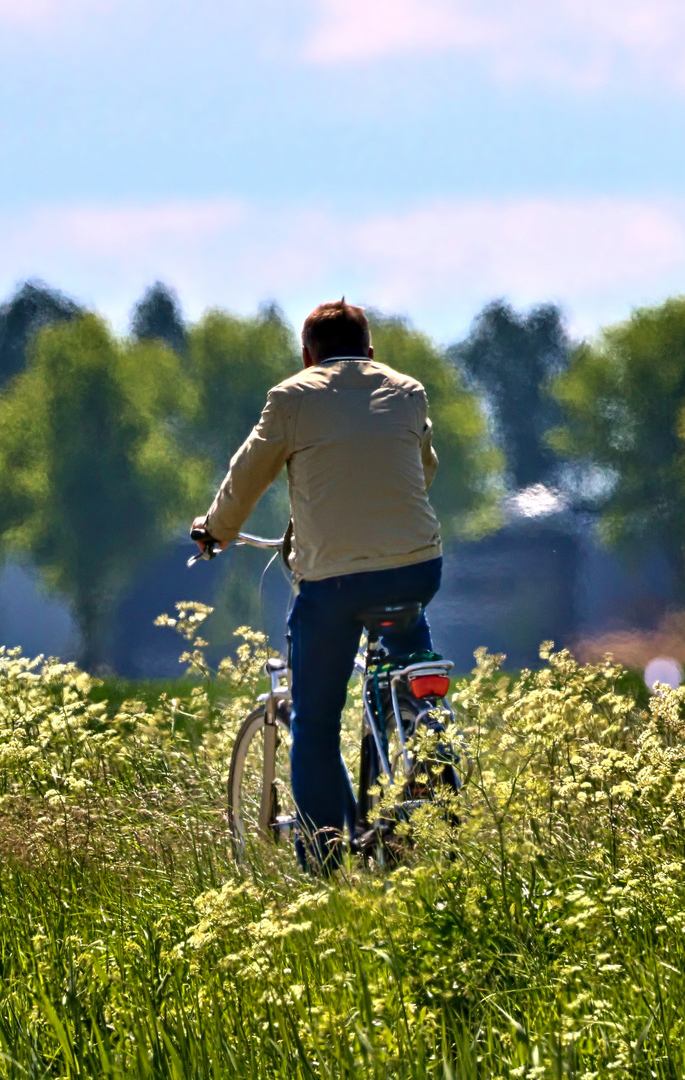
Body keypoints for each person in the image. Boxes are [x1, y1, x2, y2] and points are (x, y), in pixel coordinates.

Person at [191, 299, 443, 870]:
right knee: (408, 660)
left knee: (315, 718)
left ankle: (328, 858)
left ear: (308, 357)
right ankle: (423, 749)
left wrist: (216, 531)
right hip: (416, 568)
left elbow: (248, 473)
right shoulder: (408, 391)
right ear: (371, 353)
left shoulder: (291, 398)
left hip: (332, 581)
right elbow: (423, 469)